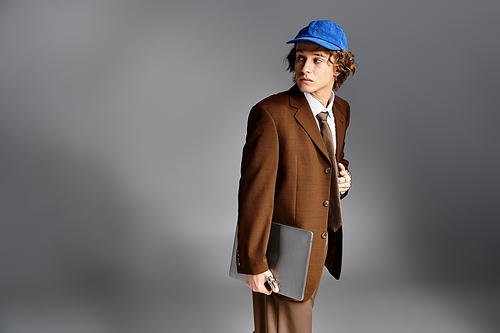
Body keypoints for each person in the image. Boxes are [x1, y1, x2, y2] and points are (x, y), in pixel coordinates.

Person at [235, 20, 357, 332]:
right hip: (281, 253)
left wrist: (342, 179)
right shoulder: (270, 114)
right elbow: (254, 194)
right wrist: (254, 263)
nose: (305, 67)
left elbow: (329, 161)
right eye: (300, 57)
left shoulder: (340, 110)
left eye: (318, 60)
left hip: (319, 247)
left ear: (339, 67)